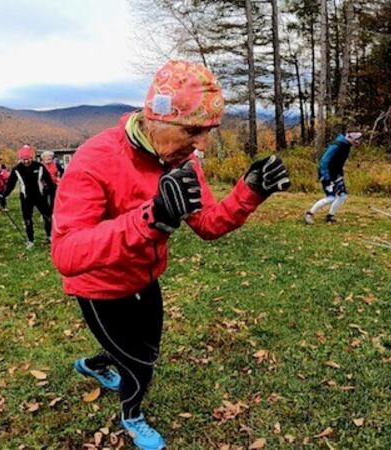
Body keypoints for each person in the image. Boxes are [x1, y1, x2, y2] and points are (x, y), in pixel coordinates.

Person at [51, 60, 290, 450]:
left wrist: (250, 191)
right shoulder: (96, 158)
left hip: (145, 278)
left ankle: (95, 363)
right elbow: (66, 253)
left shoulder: (181, 161)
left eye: (208, 132)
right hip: (100, 287)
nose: (202, 145)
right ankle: (132, 415)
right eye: (194, 131)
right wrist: (150, 217)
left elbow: (208, 224)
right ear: (157, 119)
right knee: (140, 366)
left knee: (143, 349)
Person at [304, 131, 362, 224]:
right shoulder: (337, 146)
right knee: (331, 197)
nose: (358, 142)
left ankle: (330, 217)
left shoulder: (346, 146)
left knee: (342, 195)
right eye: (356, 140)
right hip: (327, 175)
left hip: (336, 174)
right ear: (350, 138)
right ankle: (309, 214)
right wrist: (326, 177)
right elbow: (324, 161)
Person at [3, 145, 55, 249]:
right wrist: (4, 195)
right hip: (26, 198)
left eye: (28, 159)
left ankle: (49, 235)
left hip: (40, 196)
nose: (26, 161)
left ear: (32, 157)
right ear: (20, 159)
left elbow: (49, 181)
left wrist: (54, 190)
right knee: (27, 219)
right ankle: (31, 240)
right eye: (23, 159)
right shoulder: (17, 169)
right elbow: (11, 184)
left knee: (48, 217)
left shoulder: (39, 166)